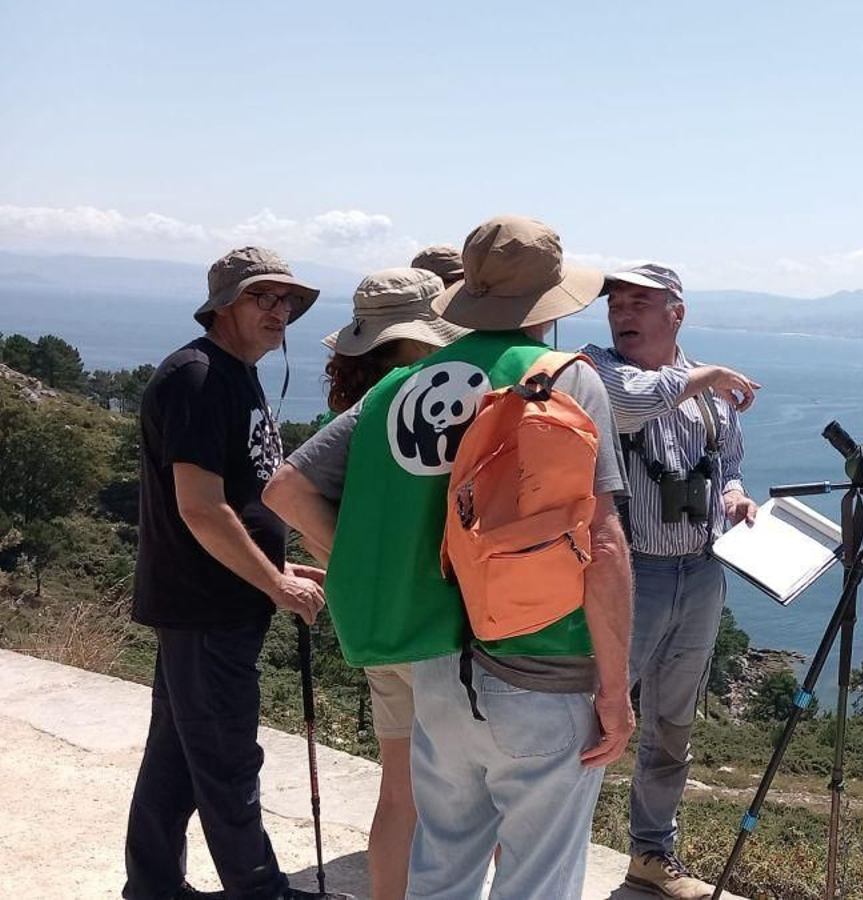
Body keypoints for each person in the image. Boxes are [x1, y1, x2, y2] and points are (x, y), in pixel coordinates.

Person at [264, 215, 633, 899]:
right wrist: (614, 688)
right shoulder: (564, 381)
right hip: (544, 664)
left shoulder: (395, 389)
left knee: (442, 867)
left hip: (435, 663)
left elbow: (287, 487)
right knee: (537, 879)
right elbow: (604, 542)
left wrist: (352, 566)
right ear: (548, 302)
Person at [124, 246, 327, 900]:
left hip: (208, 605)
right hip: (208, 610)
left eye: (285, 301)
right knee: (229, 761)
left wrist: (279, 564)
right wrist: (278, 584)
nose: (279, 311)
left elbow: (233, 503)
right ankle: (259, 890)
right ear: (223, 306)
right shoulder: (199, 377)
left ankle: (153, 885)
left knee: (178, 760)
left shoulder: (233, 374)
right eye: (260, 298)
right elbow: (201, 509)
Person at [580, 262, 760, 899]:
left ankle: (652, 855)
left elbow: (728, 464)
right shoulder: (596, 370)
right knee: (594, 717)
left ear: (674, 313)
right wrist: (704, 375)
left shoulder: (709, 394)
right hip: (629, 573)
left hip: (703, 571)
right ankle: (553, 842)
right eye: (615, 303)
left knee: (672, 726)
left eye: (637, 302)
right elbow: (630, 405)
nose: (621, 313)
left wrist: (736, 499)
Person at [313, 266, 469, 900]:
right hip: (429, 624)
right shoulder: (411, 404)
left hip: (376, 624)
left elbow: (299, 497)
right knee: (465, 801)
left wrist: (356, 569)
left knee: (398, 794)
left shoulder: (353, 407)